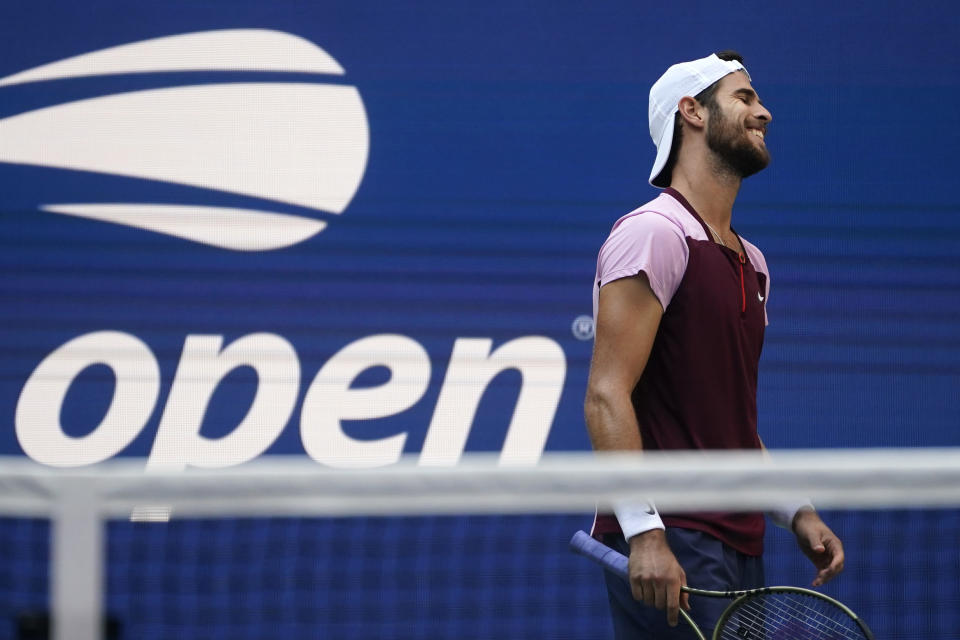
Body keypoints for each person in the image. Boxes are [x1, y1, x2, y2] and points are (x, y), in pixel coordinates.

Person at [584, 51, 845, 638]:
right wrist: (644, 532)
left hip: (738, 538)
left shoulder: (753, 264)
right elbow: (605, 395)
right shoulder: (652, 234)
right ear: (691, 112)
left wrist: (794, 510)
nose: (765, 112)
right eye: (745, 98)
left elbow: (727, 419)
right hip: (670, 535)